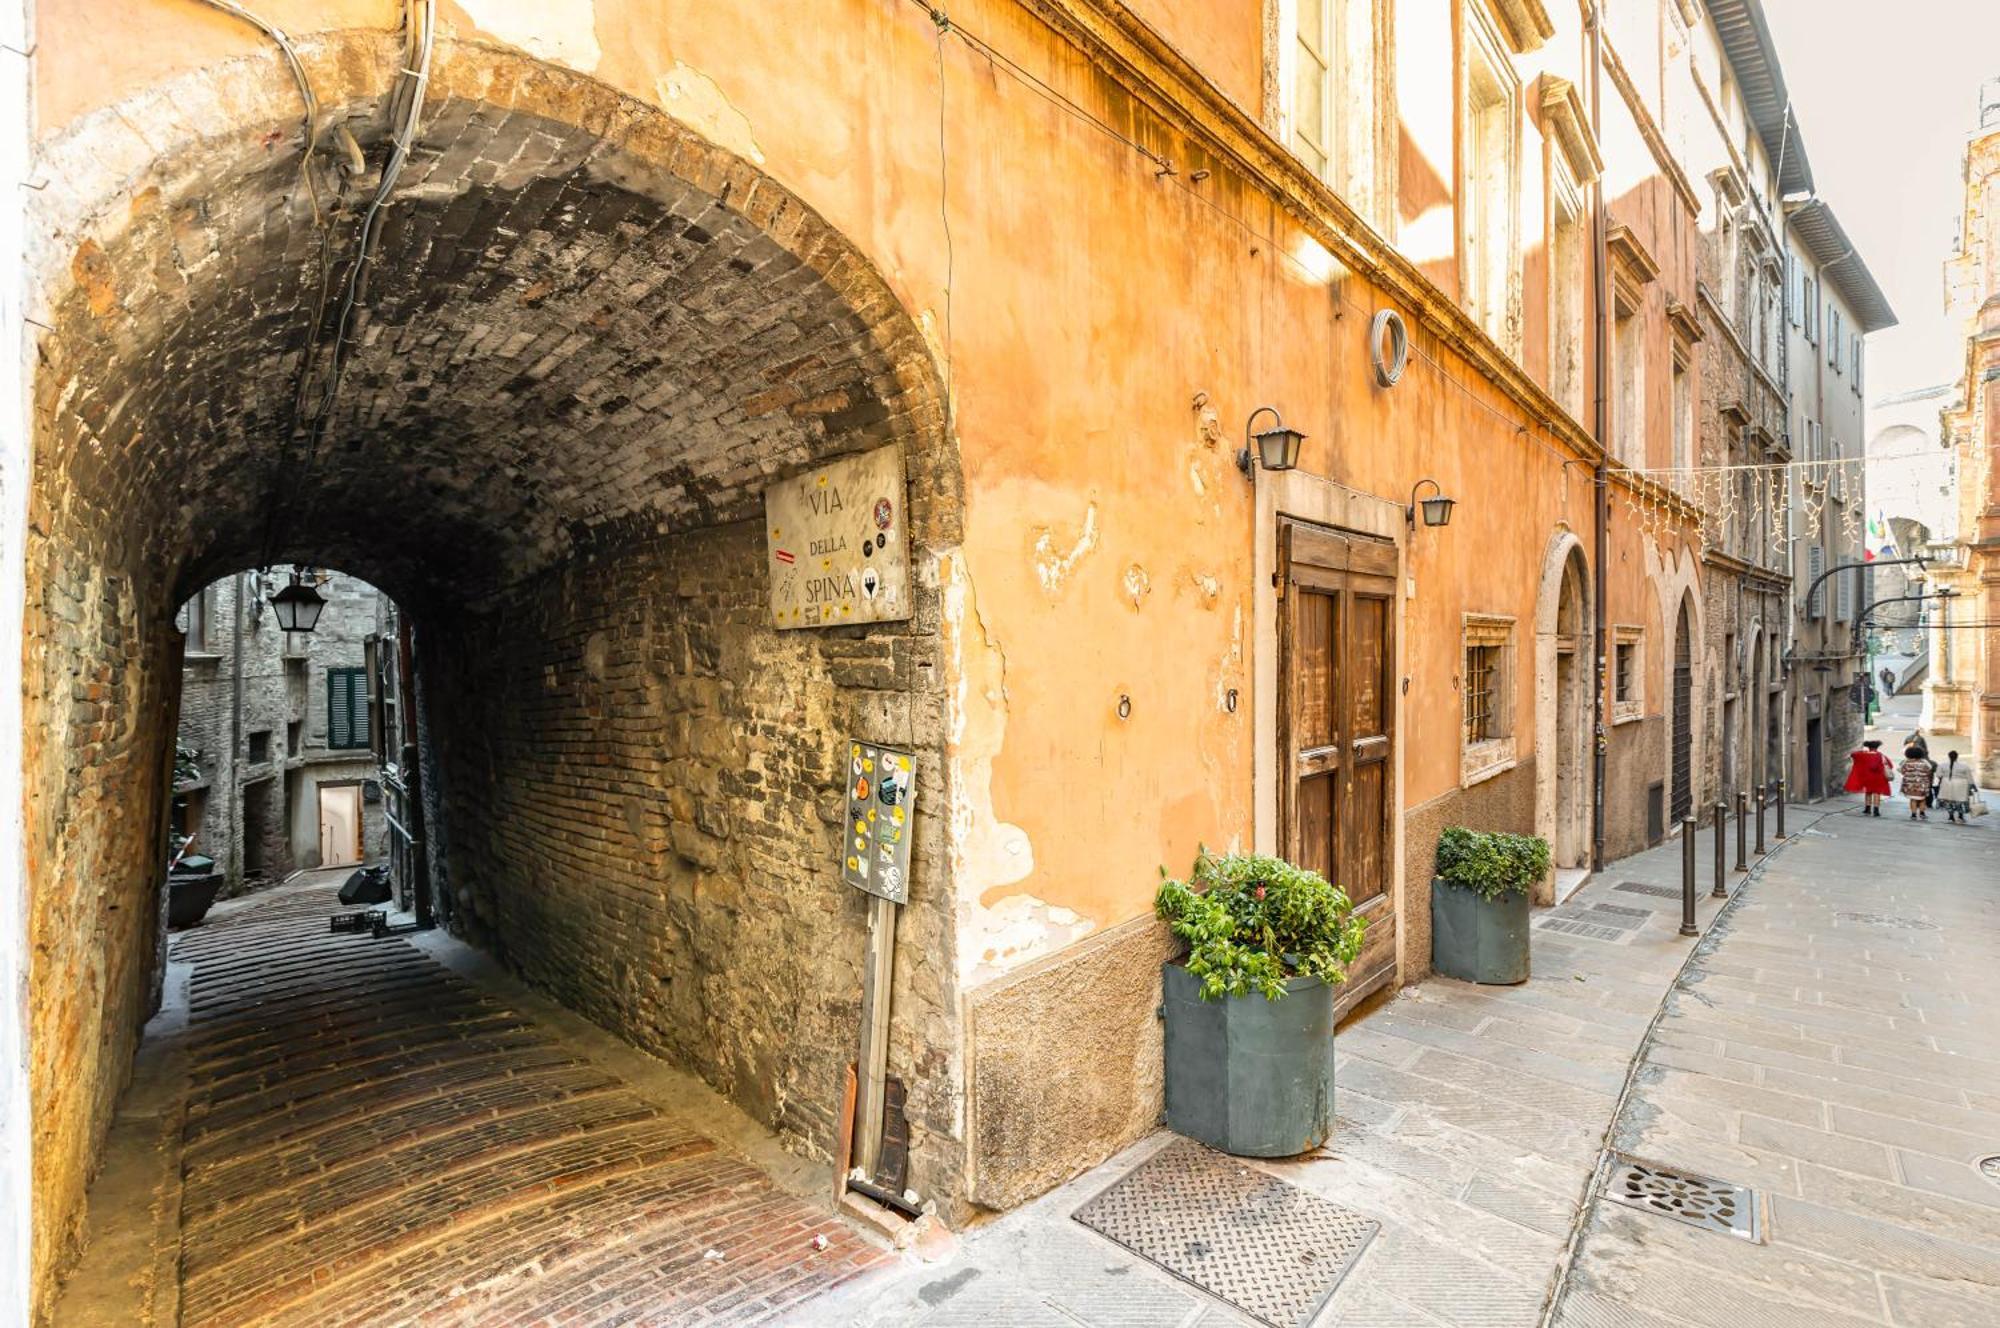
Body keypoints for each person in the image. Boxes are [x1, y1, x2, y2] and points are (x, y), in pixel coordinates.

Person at [1844, 739, 1893, 816]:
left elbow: (1853, 754)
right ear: (1877, 747)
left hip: (1867, 778)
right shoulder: (1881, 756)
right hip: (1878, 778)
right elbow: (1890, 765)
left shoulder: (1863, 755)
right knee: (1877, 793)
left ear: (1868, 747)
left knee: (1868, 792)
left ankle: (1867, 808)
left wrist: (1863, 751)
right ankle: (1876, 810)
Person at [1935, 750, 1978, 824]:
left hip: (1946, 783)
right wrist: (1973, 786)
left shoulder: (1942, 765)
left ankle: (1951, 817)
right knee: (1960, 801)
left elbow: (1938, 775)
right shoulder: (1964, 766)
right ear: (1957, 757)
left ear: (1948, 756)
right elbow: (1969, 777)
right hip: (1961, 784)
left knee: (1948, 801)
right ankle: (1960, 816)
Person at [1899, 745, 1938, 819]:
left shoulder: (1906, 762)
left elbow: (1902, 771)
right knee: (1922, 799)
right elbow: (1929, 771)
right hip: (1922, 785)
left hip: (1910, 785)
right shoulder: (1924, 762)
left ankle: (1913, 814)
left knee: (1913, 799)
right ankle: (1922, 813)